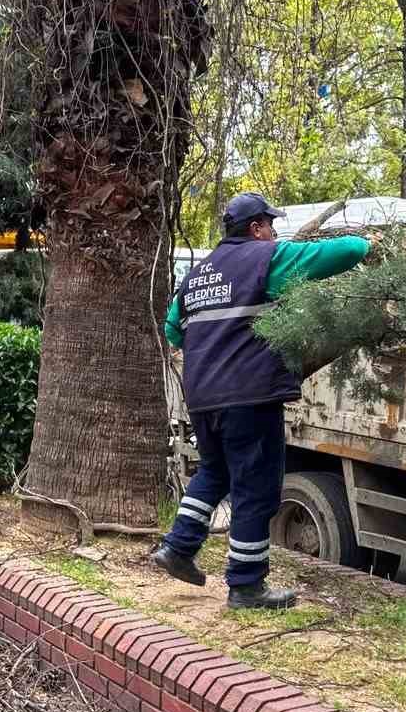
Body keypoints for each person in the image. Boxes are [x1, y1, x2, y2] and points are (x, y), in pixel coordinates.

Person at [153, 192, 371, 609]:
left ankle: (178, 549)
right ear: (256, 229)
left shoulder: (197, 275)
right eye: (270, 226)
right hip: (248, 395)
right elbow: (346, 251)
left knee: (214, 473)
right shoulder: (264, 258)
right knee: (256, 486)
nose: (274, 232)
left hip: (202, 396)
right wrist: (371, 245)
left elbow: (174, 331)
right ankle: (246, 585)